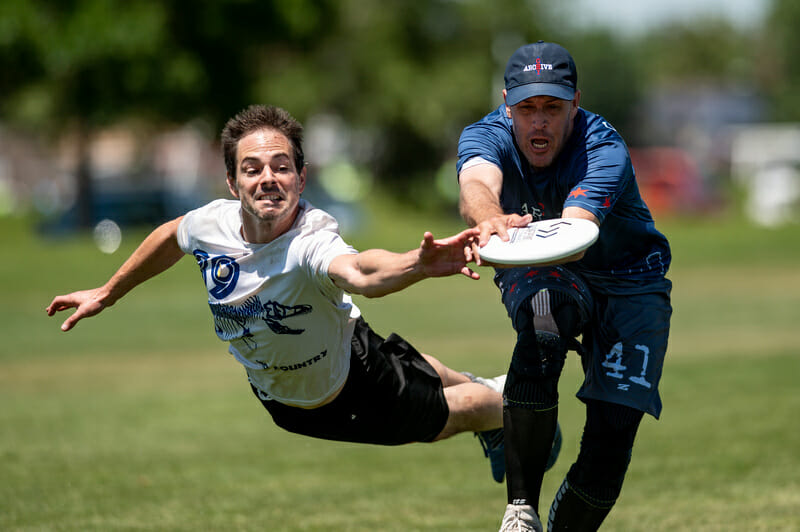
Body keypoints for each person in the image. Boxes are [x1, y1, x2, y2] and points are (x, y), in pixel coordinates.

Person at [46, 104, 561, 484]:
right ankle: (490, 394)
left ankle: (516, 409)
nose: (267, 179)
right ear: (231, 181)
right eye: (252, 168)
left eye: (281, 166)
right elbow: (171, 235)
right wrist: (108, 292)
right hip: (299, 387)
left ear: (301, 176)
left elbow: (361, 271)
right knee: (408, 365)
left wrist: (415, 265)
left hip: (347, 391)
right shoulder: (212, 224)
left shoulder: (311, 242)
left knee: (459, 412)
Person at [457, 41, 672, 531]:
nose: (539, 122)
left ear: (575, 102)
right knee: (544, 319)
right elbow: (475, 185)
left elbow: (574, 235)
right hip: (544, 270)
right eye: (527, 108)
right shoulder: (484, 135)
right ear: (506, 104)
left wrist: (512, 230)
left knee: (610, 444)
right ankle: (520, 512)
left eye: (552, 108)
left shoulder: (603, 146)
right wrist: (490, 217)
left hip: (631, 280)